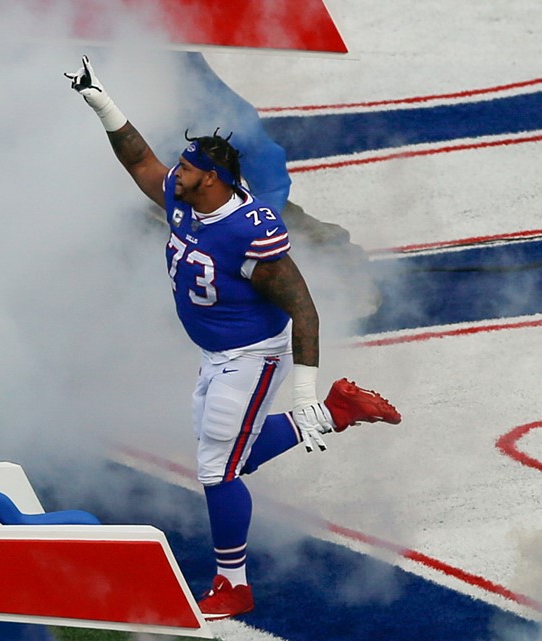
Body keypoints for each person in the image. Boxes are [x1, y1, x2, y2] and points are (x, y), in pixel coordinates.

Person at [66, 56, 402, 620]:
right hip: (216, 353)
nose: (176, 172)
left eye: (188, 167)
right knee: (228, 457)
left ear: (213, 178)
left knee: (215, 469)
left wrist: (301, 387)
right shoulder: (187, 200)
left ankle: (233, 583)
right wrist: (102, 102)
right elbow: (139, 160)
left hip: (252, 356)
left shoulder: (251, 232)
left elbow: (306, 311)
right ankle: (334, 413)